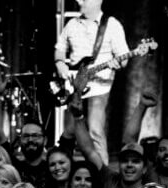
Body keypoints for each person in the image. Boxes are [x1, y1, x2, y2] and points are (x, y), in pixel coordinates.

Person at [54, 0, 129, 164]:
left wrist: (118, 63)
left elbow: (124, 58)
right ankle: (63, 168)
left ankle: (103, 173)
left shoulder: (112, 25)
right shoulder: (71, 24)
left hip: (99, 85)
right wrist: (61, 66)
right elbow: (59, 51)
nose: (78, 1)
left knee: (95, 130)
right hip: (75, 84)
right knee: (69, 131)